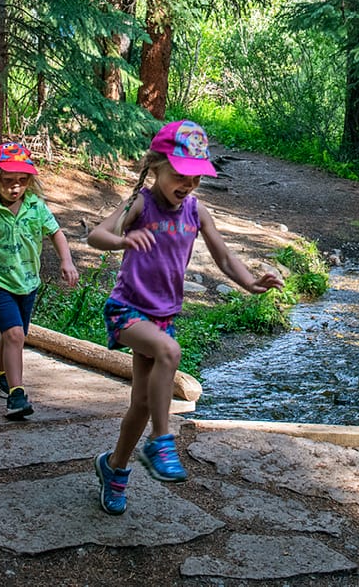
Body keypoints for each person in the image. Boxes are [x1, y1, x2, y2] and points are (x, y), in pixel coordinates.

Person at [86, 120, 283, 515]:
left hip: (162, 315)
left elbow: (225, 257)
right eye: (180, 174)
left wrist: (250, 282)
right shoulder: (140, 203)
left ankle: (115, 468)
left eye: (195, 177)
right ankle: (161, 442)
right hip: (127, 309)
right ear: (156, 166)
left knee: (141, 403)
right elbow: (96, 235)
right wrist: (124, 238)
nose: (188, 184)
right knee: (169, 352)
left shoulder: (197, 211)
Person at [0, 142, 79, 419]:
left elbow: (57, 234)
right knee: (15, 334)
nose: (15, 187)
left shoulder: (36, 207)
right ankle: (16, 394)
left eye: (22, 181)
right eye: (8, 181)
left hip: (28, 283)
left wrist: (67, 261)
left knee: (13, 334)